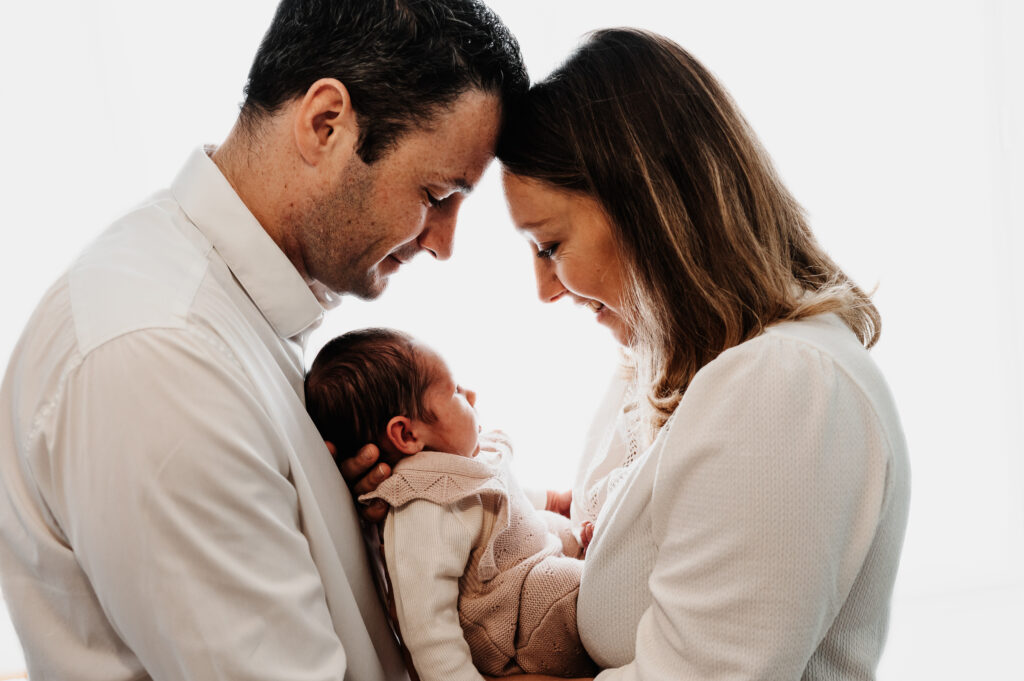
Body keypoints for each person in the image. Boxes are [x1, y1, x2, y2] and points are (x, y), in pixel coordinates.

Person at [348, 28, 911, 681]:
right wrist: (424, 488)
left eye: (550, 245)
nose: (544, 288)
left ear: (648, 207)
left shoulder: (784, 384)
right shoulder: (659, 368)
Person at [0, 1, 526, 680]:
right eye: (437, 193)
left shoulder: (227, 318)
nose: (444, 244)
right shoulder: (160, 359)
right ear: (325, 123)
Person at [305, 328, 597, 681]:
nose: (470, 393)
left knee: (557, 527)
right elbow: (427, 629)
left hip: (525, 564)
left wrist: (554, 501)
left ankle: (586, 546)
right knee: (584, 583)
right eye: (455, 391)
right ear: (408, 435)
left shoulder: (457, 462)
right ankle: (603, 569)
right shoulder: (424, 508)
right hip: (519, 620)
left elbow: (499, 493)